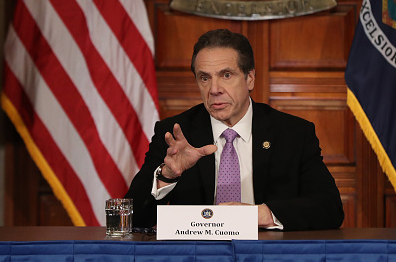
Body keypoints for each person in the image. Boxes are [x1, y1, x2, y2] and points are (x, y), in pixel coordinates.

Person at [126, 29, 344, 230]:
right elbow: (133, 219)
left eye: (226, 75)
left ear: (249, 78)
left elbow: (330, 208)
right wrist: (168, 175)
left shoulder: (293, 133)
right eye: (204, 78)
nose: (214, 89)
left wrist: (261, 214)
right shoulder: (175, 133)